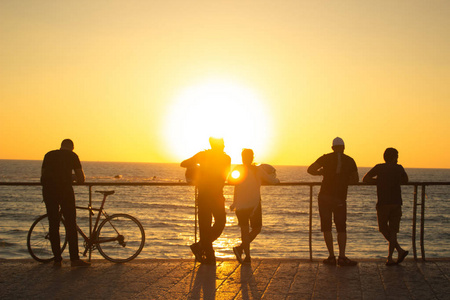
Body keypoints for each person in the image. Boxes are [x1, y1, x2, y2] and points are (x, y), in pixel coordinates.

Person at [307, 137, 359, 266]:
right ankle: (342, 256)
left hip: (324, 196)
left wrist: (322, 172)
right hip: (340, 197)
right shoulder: (349, 160)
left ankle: (331, 256)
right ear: (344, 147)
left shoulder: (325, 158)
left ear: (332, 148)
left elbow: (310, 169)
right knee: (341, 227)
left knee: (326, 226)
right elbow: (356, 179)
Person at [181, 137, 231, 264]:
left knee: (213, 224)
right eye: (222, 145)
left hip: (208, 195)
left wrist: (198, 167)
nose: (224, 146)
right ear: (218, 146)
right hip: (214, 195)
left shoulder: (204, 156)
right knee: (212, 224)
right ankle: (208, 255)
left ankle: (202, 248)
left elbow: (185, 163)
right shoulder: (225, 158)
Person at [41, 139, 90, 267]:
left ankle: (57, 260)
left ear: (61, 146)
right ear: (72, 147)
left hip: (48, 192)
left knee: (53, 225)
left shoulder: (49, 155)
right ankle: (74, 259)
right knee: (70, 225)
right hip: (65, 192)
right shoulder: (72, 156)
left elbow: (43, 175)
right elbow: (81, 178)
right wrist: (72, 177)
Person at [228, 149, 280, 264]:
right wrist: (277, 180)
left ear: (242, 157)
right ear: (252, 157)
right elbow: (271, 180)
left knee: (244, 231)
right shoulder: (257, 170)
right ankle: (241, 249)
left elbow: (231, 181)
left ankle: (247, 257)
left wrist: (234, 202)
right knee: (256, 228)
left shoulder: (238, 169)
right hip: (253, 205)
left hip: (240, 205)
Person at [362, 148, 409, 266]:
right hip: (396, 202)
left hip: (383, 202)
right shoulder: (399, 168)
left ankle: (394, 254)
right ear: (393, 157)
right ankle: (393, 255)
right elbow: (406, 180)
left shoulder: (379, 167)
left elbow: (365, 179)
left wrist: (378, 181)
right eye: (397, 156)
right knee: (393, 231)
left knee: (383, 228)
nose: (398, 159)